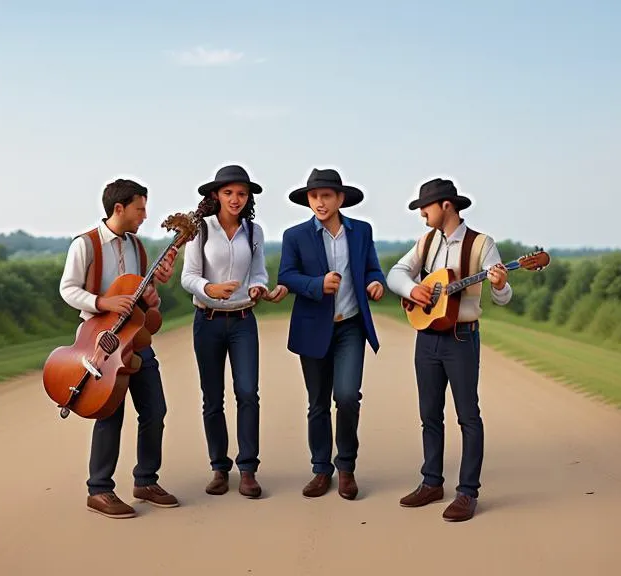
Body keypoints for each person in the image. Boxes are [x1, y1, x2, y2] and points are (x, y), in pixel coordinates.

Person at [385, 177, 512, 522]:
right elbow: (395, 274)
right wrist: (414, 291)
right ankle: (431, 482)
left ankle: (468, 492)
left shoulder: (481, 244)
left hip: (461, 337)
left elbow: (502, 296)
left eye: (425, 207)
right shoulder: (425, 242)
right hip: (427, 336)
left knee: (468, 416)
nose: (422, 213)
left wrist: (499, 284)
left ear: (446, 206)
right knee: (429, 413)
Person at [58, 178, 179, 519]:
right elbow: (68, 289)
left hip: (136, 339)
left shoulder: (137, 248)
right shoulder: (85, 244)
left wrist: (151, 296)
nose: (144, 215)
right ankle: (99, 490)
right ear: (119, 208)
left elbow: (142, 296)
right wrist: (103, 301)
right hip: (101, 340)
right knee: (110, 413)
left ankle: (145, 481)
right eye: (140, 208)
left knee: (155, 410)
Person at [276, 167, 385, 501]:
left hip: (351, 326)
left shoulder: (362, 231)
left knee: (348, 396)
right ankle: (321, 470)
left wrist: (375, 281)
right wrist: (316, 285)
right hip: (313, 328)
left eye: (326, 196)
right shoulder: (294, 236)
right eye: (313, 196)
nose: (319, 203)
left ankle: (347, 467)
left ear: (340, 198)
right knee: (318, 403)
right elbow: (287, 275)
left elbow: (372, 267)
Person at [180, 165, 287, 499]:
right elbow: (188, 277)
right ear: (216, 196)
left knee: (247, 393)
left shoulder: (254, 233)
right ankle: (218, 468)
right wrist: (208, 289)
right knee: (213, 398)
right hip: (208, 321)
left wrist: (257, 288)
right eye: (229, 193)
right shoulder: (200, 230)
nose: (236, 199)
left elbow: (259, 273)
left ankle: (248, 471)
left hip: (243, 322)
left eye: (241, 193)